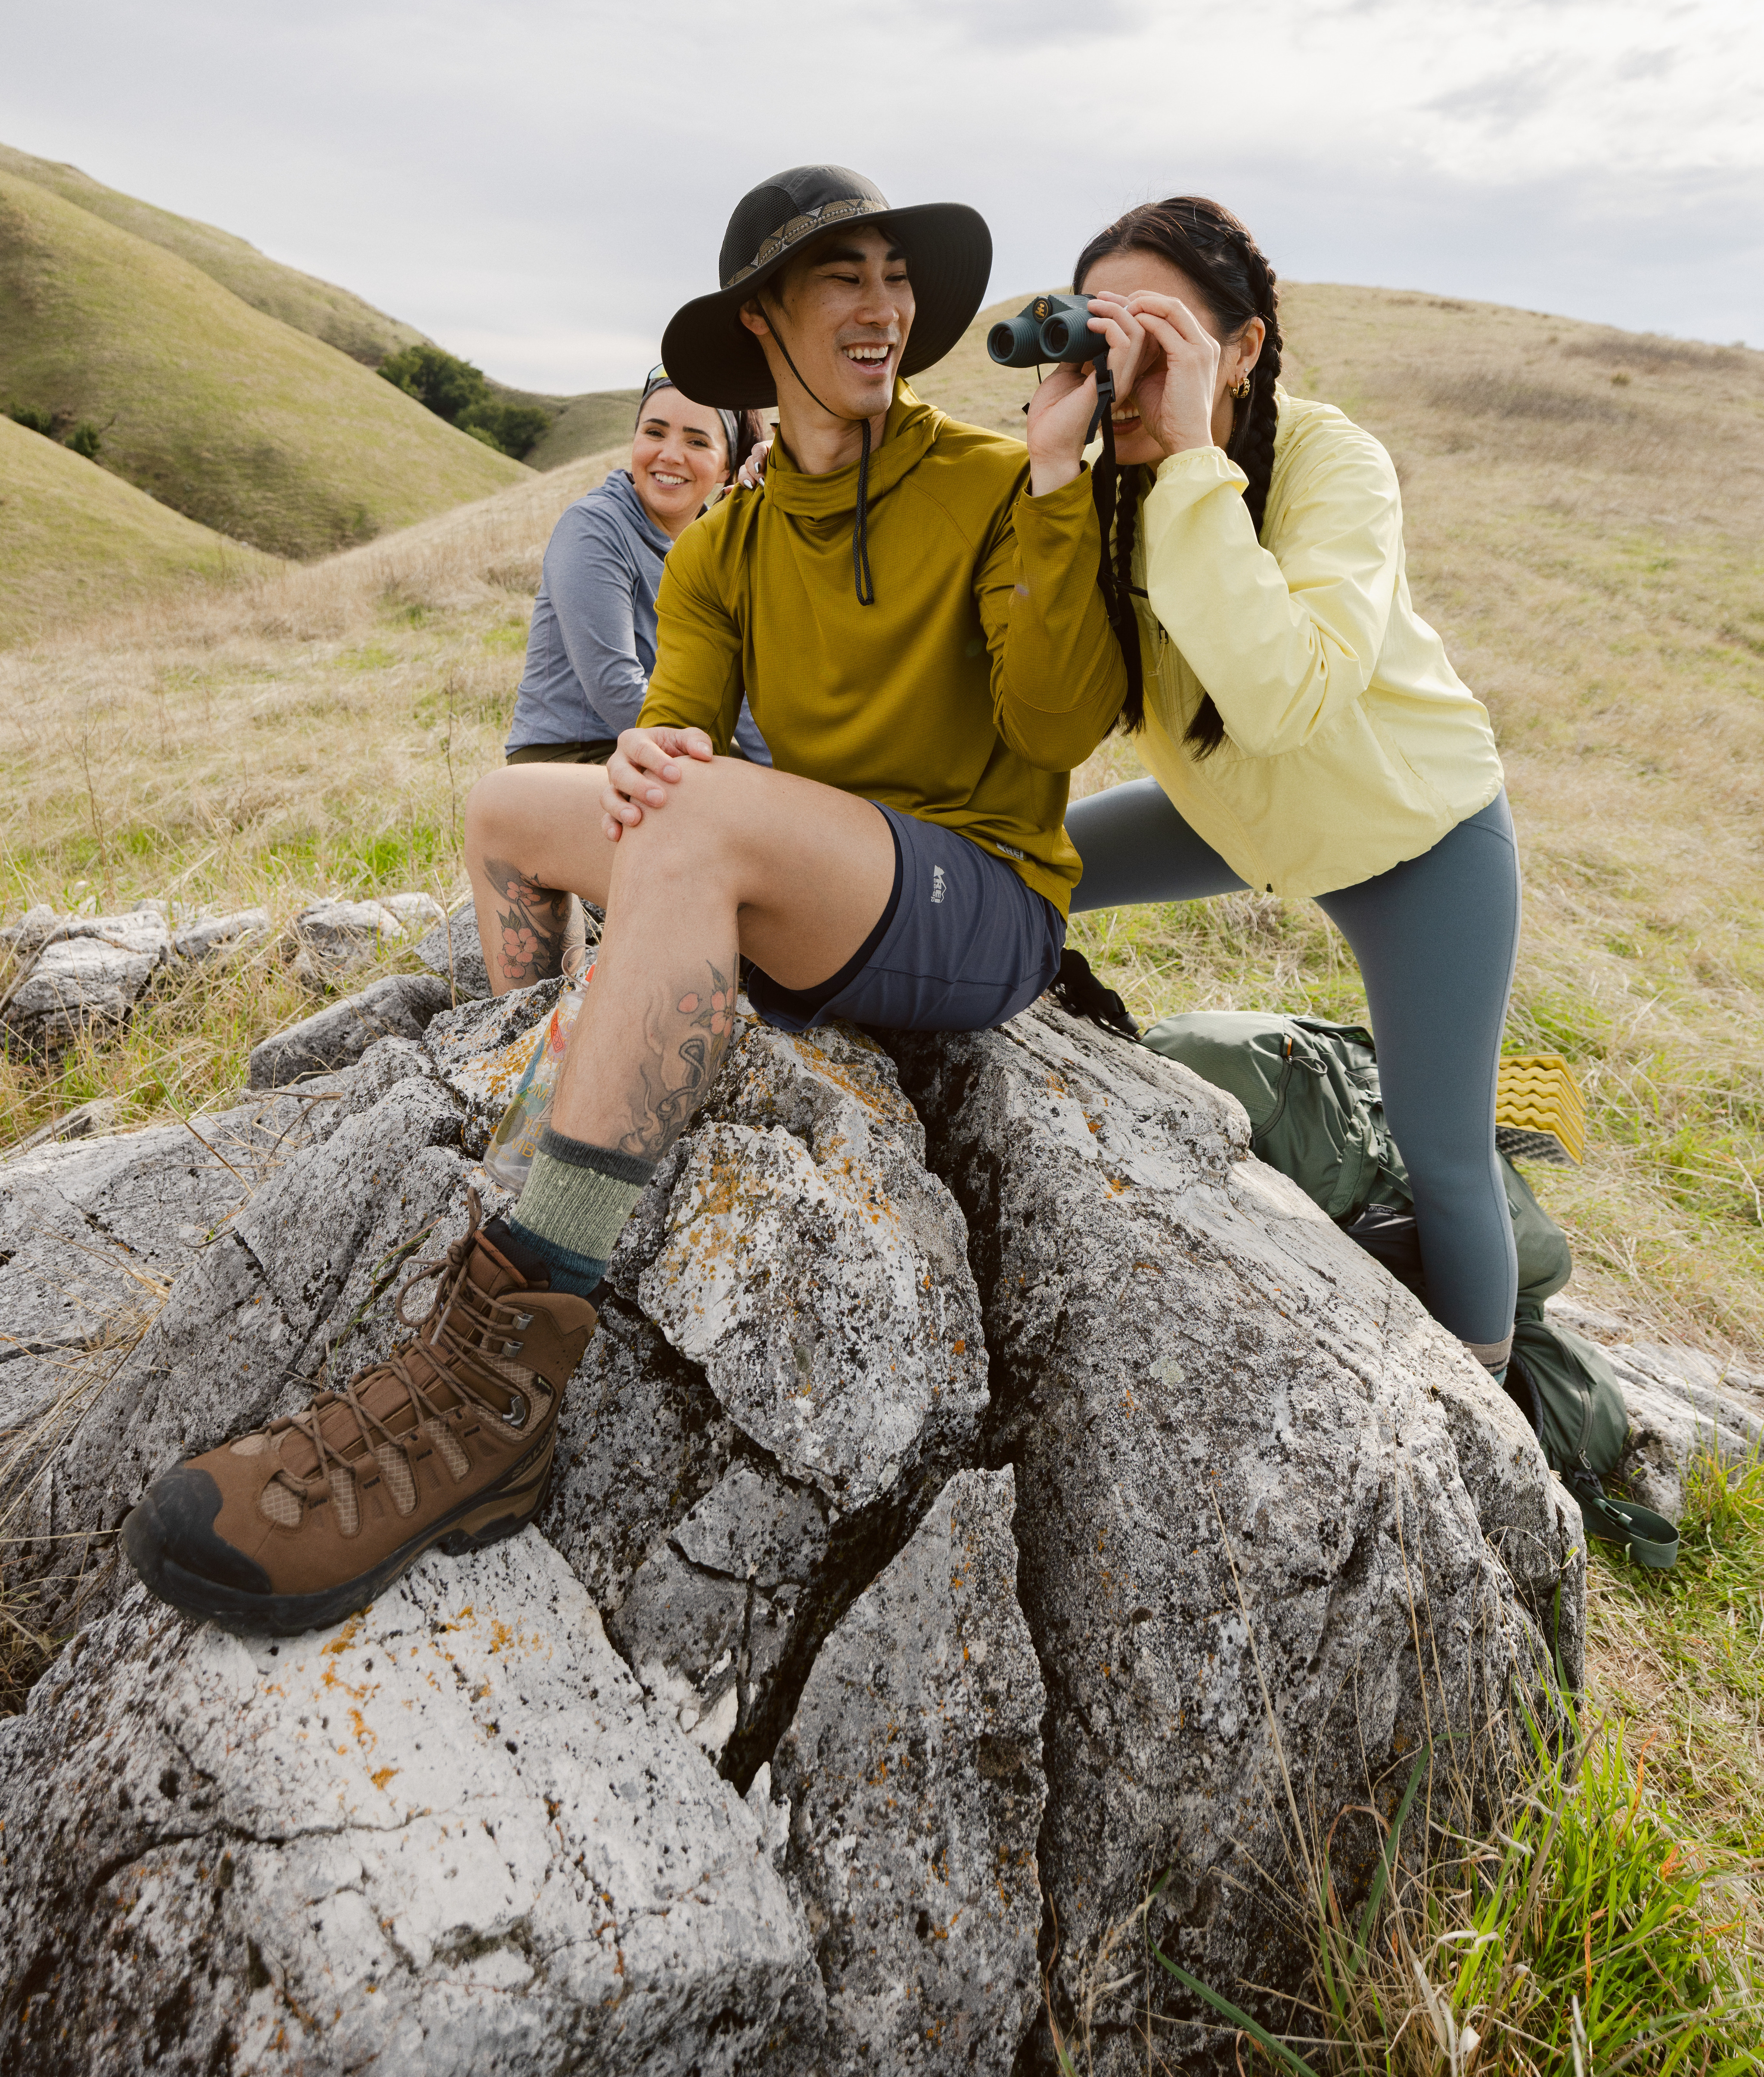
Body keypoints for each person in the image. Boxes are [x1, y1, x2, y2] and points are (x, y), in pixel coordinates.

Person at [121, 164, 1125, 1635]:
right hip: (801, 880)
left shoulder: (989, 482)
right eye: (839, 276)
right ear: (760, 323)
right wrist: (654, 750)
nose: (883, 304)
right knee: (514, 805)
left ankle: (502, 1367)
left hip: (972, 899)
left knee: (696, 829)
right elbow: (673, 743)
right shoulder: (723, 540)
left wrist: (1055, 482)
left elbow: (1055, 724)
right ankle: (551, 1056)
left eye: (894, 275)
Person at [1041, 195, 1520, 1382]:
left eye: (1166, 341)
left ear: (1242, 350)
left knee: (1442, 1146)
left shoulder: (1330, 461)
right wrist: (1054, 482)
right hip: (1238, 814)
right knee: (1021, 869)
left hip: (1416, 839)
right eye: (1110, 336)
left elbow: (1282, 700)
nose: (1135, 374)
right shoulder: (1104, 480)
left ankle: (1491, 1417)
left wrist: (1196, 457)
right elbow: (1048, 700)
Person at [505, 367, 769, 770]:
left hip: (667, 744)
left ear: (726, 469)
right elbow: (614, 685)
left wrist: (786, 767)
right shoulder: (593, 527)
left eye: (697, 441)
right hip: (572, 756)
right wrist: (706, 754)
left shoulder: (717, 549)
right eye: (654, 433)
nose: (670, 454)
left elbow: (744, 695)